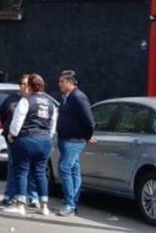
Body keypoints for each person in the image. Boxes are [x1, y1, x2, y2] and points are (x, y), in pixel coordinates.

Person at [4, 73, 58, 217]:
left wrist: (11, 135)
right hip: (45, 141)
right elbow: (52, 126)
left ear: (30, 86)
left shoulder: (26, 101)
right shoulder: (51, 103)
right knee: (40, 173)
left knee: (22, 171)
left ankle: (20, 205)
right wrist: (46, 136)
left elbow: (17, 122)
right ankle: (44, 206)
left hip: (27, 139)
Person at [55, 70, 95, 217]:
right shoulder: (66, 97)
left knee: (64, 168)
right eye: (59, 82)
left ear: (70, 82)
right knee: (73, 170)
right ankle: (73, 201)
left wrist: (87, 136)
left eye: (62, 82)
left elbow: (89, 120)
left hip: (74, 140)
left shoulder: (78, 97)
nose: (59, 84)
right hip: (65, 139)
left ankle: (70, 204)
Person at [0, 75, 38, 208]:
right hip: (13, 139)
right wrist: (9, 130)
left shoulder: (36, 100)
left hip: (31, 139)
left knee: (32, 168)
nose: (24, 87)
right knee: (13, 166)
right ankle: (10, 195)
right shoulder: (12, 99)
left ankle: (32, 197)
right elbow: (2, 113)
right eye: (22, 84)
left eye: (27, 84)